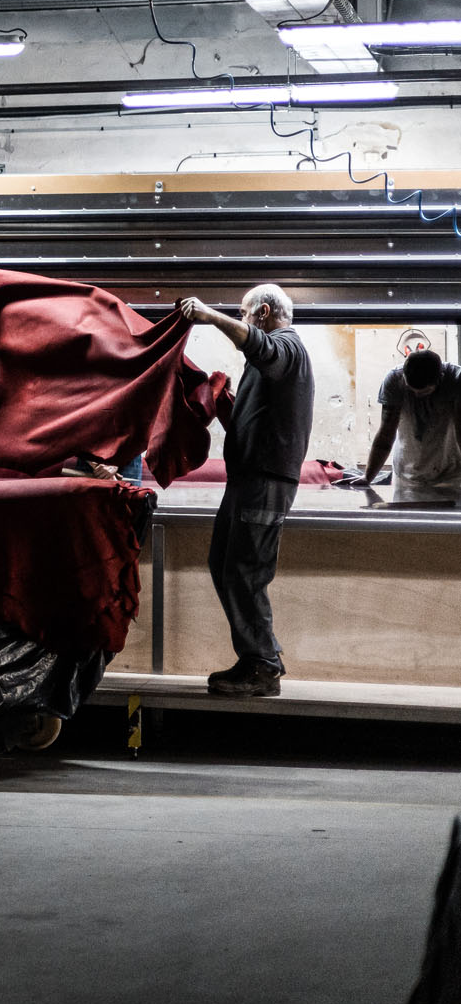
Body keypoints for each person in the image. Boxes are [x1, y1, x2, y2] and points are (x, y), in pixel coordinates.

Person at [178, 284, 314, 698]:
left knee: (245, 572)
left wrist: (211, 317)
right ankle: (257, 656)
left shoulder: (287, 347)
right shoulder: (275, 361)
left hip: (265, 480)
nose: (240, 318)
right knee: (224, 564)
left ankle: (263, 666)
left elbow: (261, 348)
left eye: (243, 313)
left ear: (263, 312)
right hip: (249, 479)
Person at [363, 349, 461, 505]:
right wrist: (367, 478)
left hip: (450, 472)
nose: (416, 395)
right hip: (406, 472)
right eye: (411, 389)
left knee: (444, 524)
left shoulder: (456, 379)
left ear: (440, 379)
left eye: (424, 391)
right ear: (404, 376)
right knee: (408, 524)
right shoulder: (394, 379)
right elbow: (385, 434)